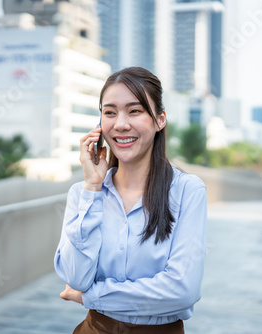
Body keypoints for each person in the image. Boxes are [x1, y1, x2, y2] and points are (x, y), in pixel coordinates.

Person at [54, 66, 207, 334]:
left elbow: (182, 291)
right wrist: (93, 186)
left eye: (134, 111)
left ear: (160, 120)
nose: (121, 123)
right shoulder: (82, 194)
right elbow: (76, 278)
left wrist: (92, 296)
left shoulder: (187, 191)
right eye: (110, 112)